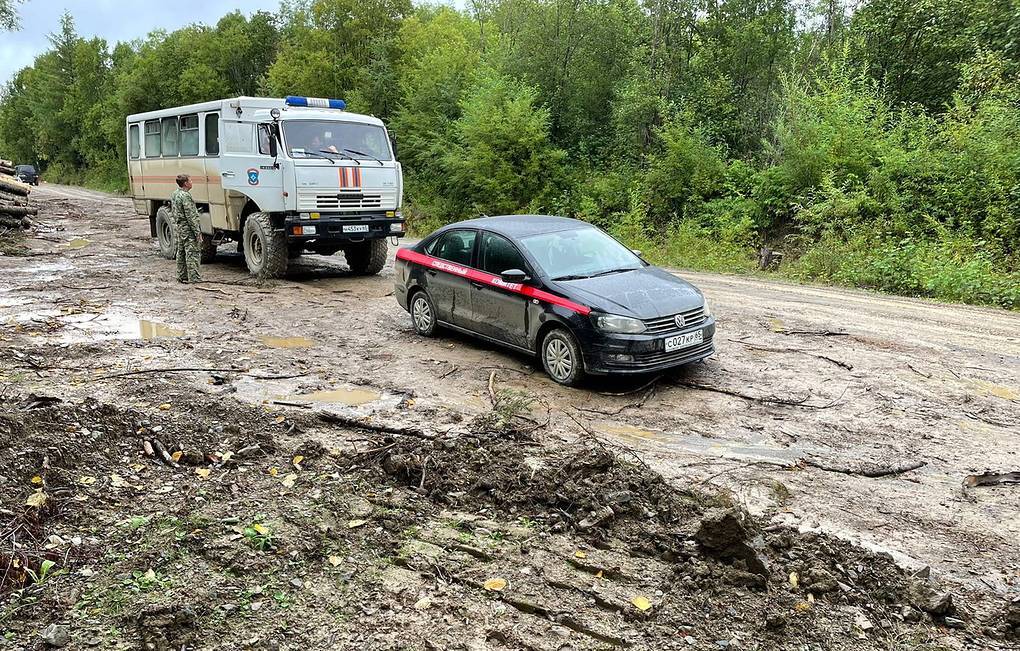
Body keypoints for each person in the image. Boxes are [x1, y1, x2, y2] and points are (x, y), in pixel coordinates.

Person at [169, 174, 202, 283]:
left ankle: (181, 275)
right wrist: (197, 232)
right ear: (186, 183)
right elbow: (190, 215)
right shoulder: (185, 196)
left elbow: (174, 211)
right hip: (188, 229)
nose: (192, 182)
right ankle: (194, 278)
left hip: (180, 227)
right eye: (190, 180)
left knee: (181, 252)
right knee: (192, 252)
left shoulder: (175, 194)